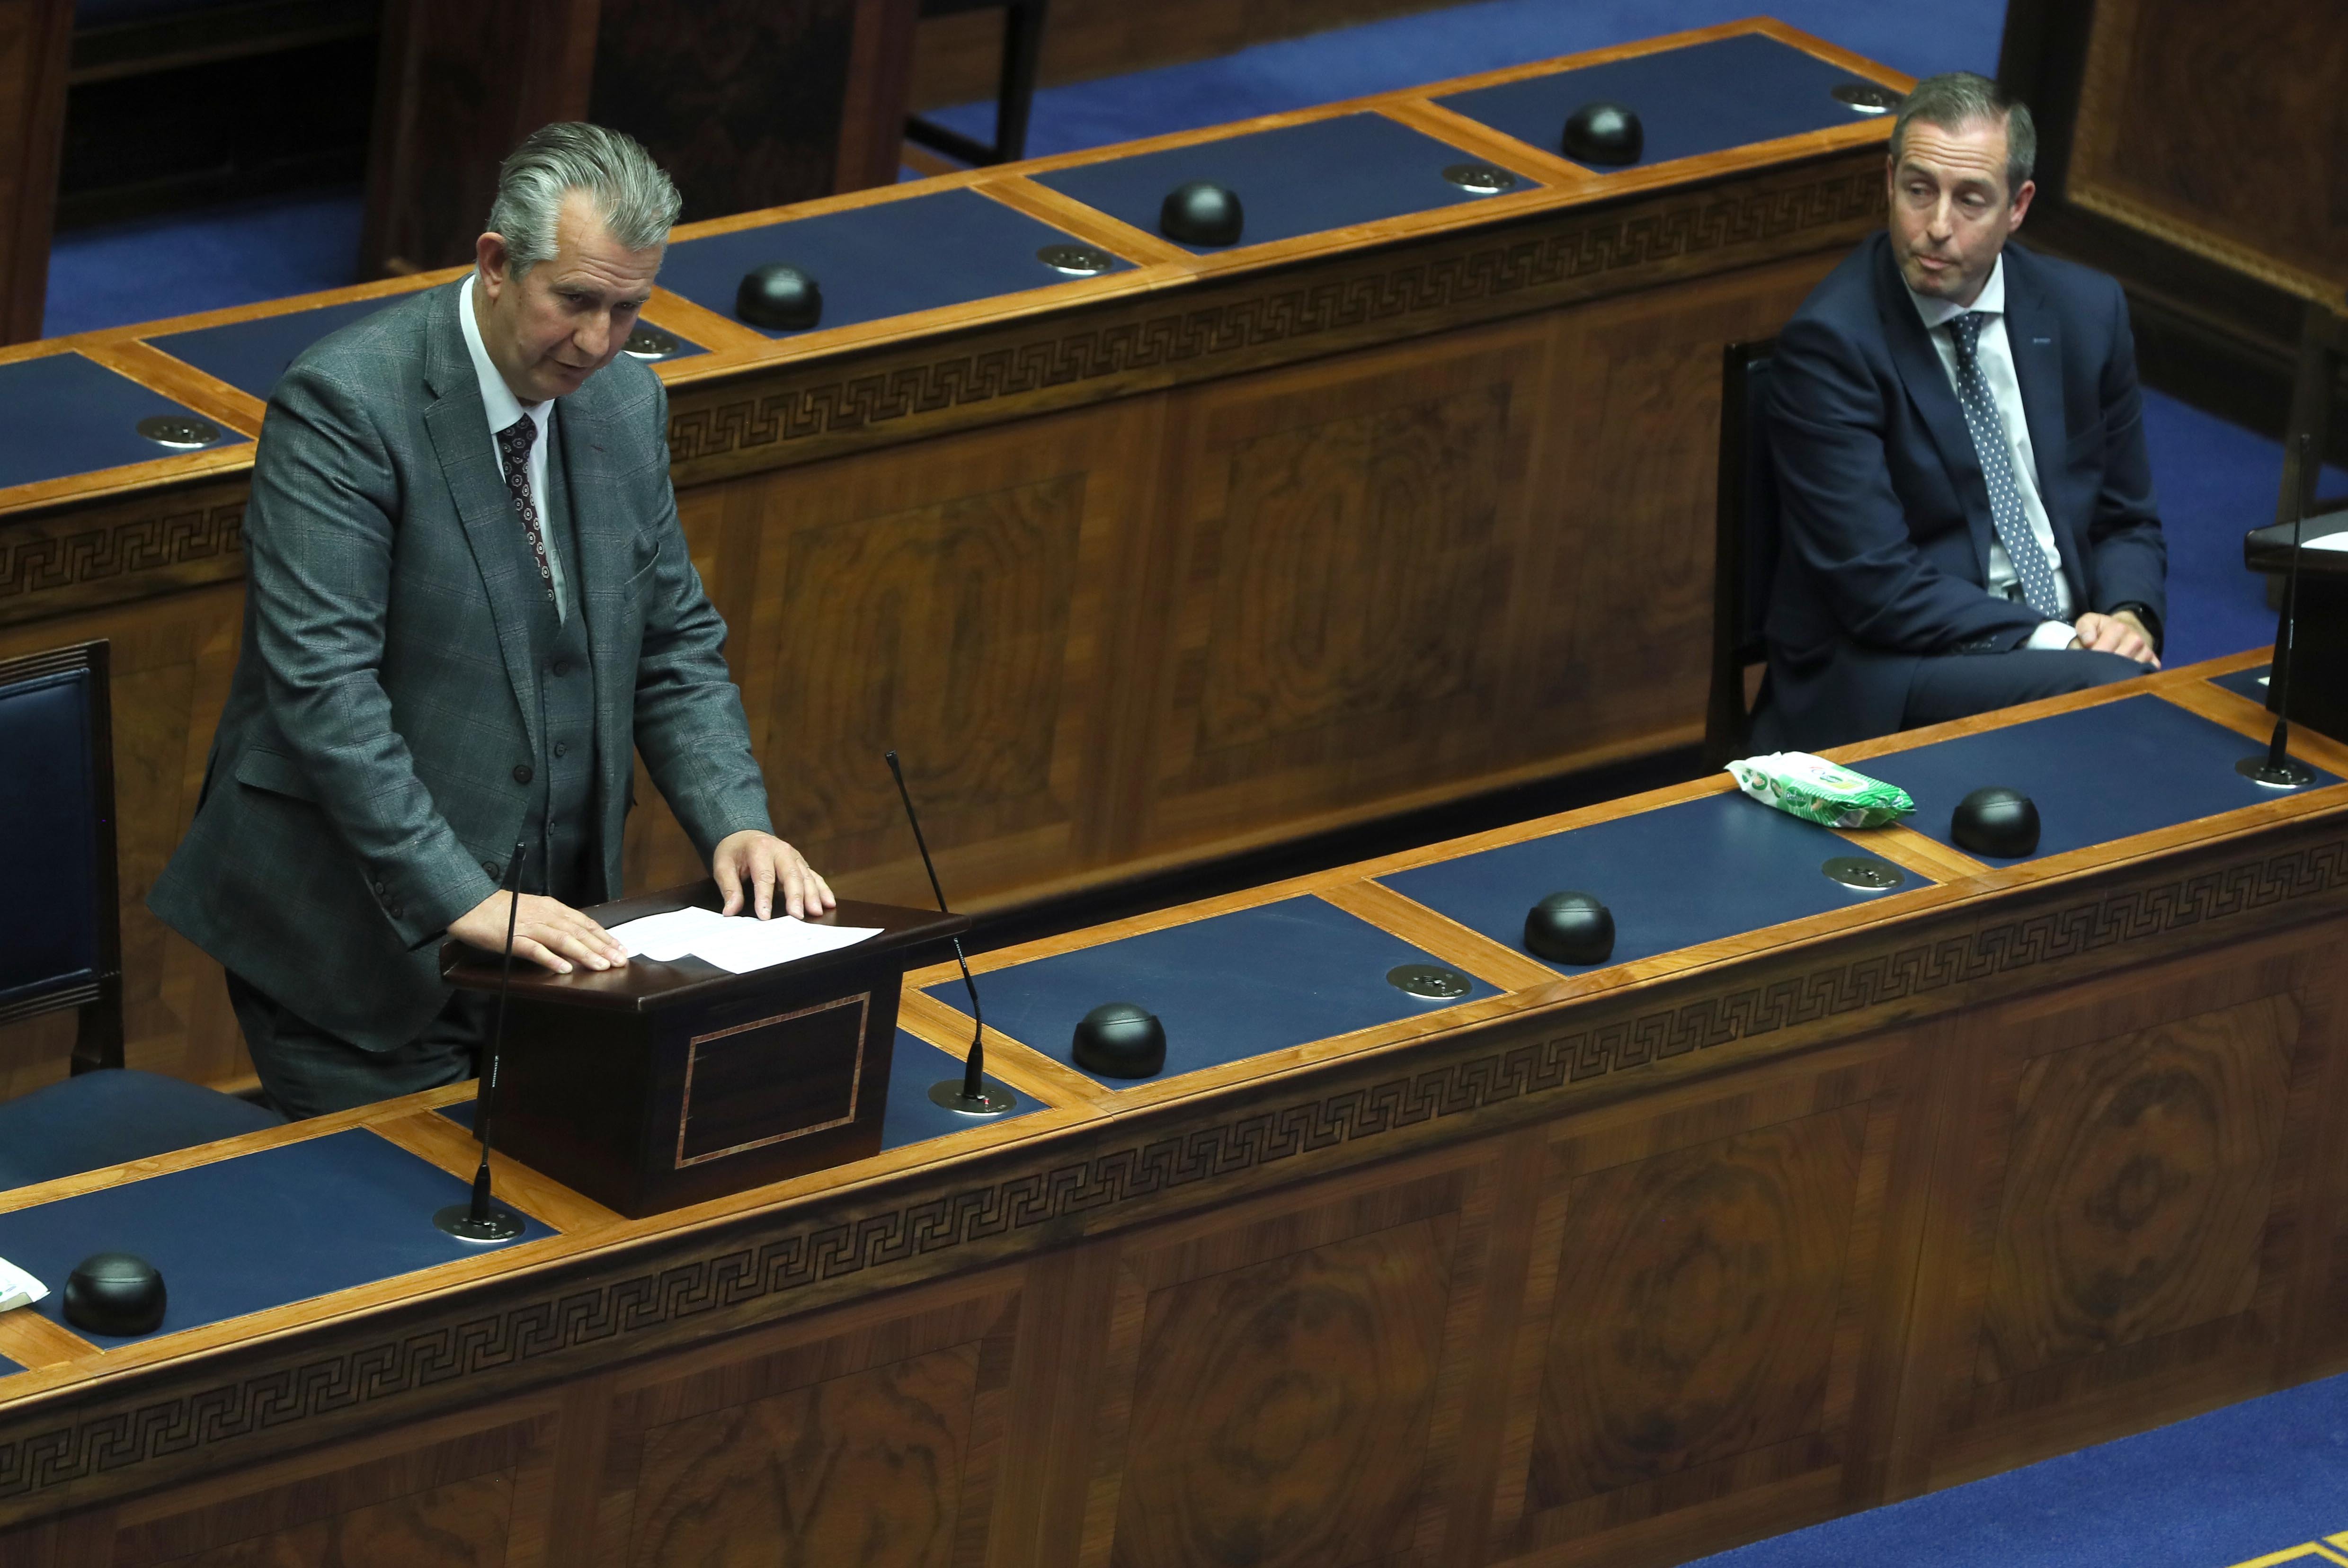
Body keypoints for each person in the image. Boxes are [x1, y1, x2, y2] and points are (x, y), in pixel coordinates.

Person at [151, 124, 834, 1119]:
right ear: (497, 264)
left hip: (554, 943)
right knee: (410, 1228)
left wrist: (735, 819)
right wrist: (457, 895)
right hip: (353, 946)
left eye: (628, 310)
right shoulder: (347, 405)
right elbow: (324, 691)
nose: (599, 343)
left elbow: (672, 642)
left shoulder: (623, 406)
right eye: (577, 302)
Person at [1751, 71, 2168, 753]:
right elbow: (1875, 585)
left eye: (1971, 200)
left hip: (2071, 645)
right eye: (1919, 191)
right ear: (1890, 182)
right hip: (1897, 665)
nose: (1937, 227)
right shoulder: (1832, 344)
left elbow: (2126, 518)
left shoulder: (2087, 313)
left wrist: (2127, 616)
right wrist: (2063, 643)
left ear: (2018, 206)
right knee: (2119, 702)